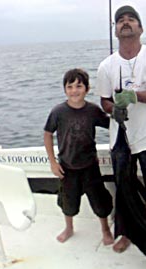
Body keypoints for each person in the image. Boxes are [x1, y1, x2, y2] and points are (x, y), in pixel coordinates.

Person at [95, 5, 146, 253]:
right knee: (124, 190)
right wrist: (112, 109)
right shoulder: (106, 66)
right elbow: (104, 100)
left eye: (131, 19)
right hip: (120, 138)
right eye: (120, 21)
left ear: (141, 28)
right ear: (115, 30)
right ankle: (126, 234)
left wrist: (134, 96)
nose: (125, 23)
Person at [44, 68, 114, 244]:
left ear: (87, 89)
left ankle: (105, 229)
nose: (74, 90)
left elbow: (112, 125)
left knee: (100, 202)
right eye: (70, 86)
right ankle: (69, 228)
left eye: (79, 86)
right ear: (65, 89)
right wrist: (53, 162)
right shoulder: (58, 112)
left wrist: (116, 108)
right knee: (68, 203)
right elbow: (47, 133)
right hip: (67, 167)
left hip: (90, 166)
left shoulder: (93, 110)